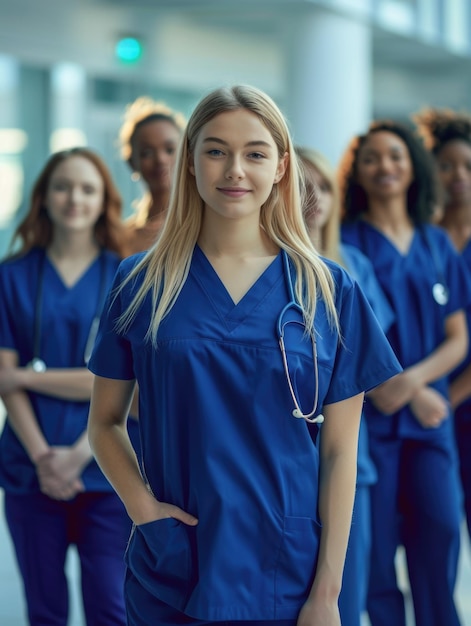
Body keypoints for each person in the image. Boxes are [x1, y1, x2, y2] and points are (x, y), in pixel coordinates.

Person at [87, 84, 401, 626]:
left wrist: (327, 593)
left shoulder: (328, 289)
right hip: (172, 564)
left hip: (286, 568)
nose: (235, 169)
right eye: (215, 150)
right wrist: (145, 512)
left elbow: (340, 452)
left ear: (281, 167)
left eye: (255, 153)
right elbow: (104, 423)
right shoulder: (140, 283)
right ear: (190, 162)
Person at [339, 120, 470, 626]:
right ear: (358, 173)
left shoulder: (436, 244)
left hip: (430, 421)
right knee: (375, 559)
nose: (385, 166)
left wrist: (412, 385)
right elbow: (344, 338)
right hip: (370, 425)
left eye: (395, 155)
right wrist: (390, 388)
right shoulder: (348, 244)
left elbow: (458, 336)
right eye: (371, 158)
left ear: (413, 164)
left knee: (439, 533)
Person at [0, 148, 130, 626]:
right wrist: (43, 459)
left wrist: (77, 455)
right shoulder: (11, 276)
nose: (74, 198)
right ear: (43, 198)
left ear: (103, 201)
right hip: (30, 470)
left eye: (87, 188)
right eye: (62, 186)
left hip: (106, 470)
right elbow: (3, 381)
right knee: (45, 611)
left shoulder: (127, 278)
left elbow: (125, 385)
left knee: (111, 608)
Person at [296, 146, 394, 626]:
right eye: (300, 184)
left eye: (322, 185)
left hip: (350, 459)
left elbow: (370, 369)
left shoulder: (350, 273)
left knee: (341, 602)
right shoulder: (261, 274)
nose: (312, 196)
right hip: (281, 475)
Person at [415, 107, 471, 543]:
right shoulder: (422, 240)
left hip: (450, 402)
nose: (458, 176)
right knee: (436, 530)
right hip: (425, 403)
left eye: (467, 166)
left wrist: (447, 400)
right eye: (447, 165)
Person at [119, 96, 186, 253]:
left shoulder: (207, 226)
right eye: (146, 153)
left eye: (170, 150)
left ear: (187, 154)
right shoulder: (122, 237)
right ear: (131, 162)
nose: (160, 159)